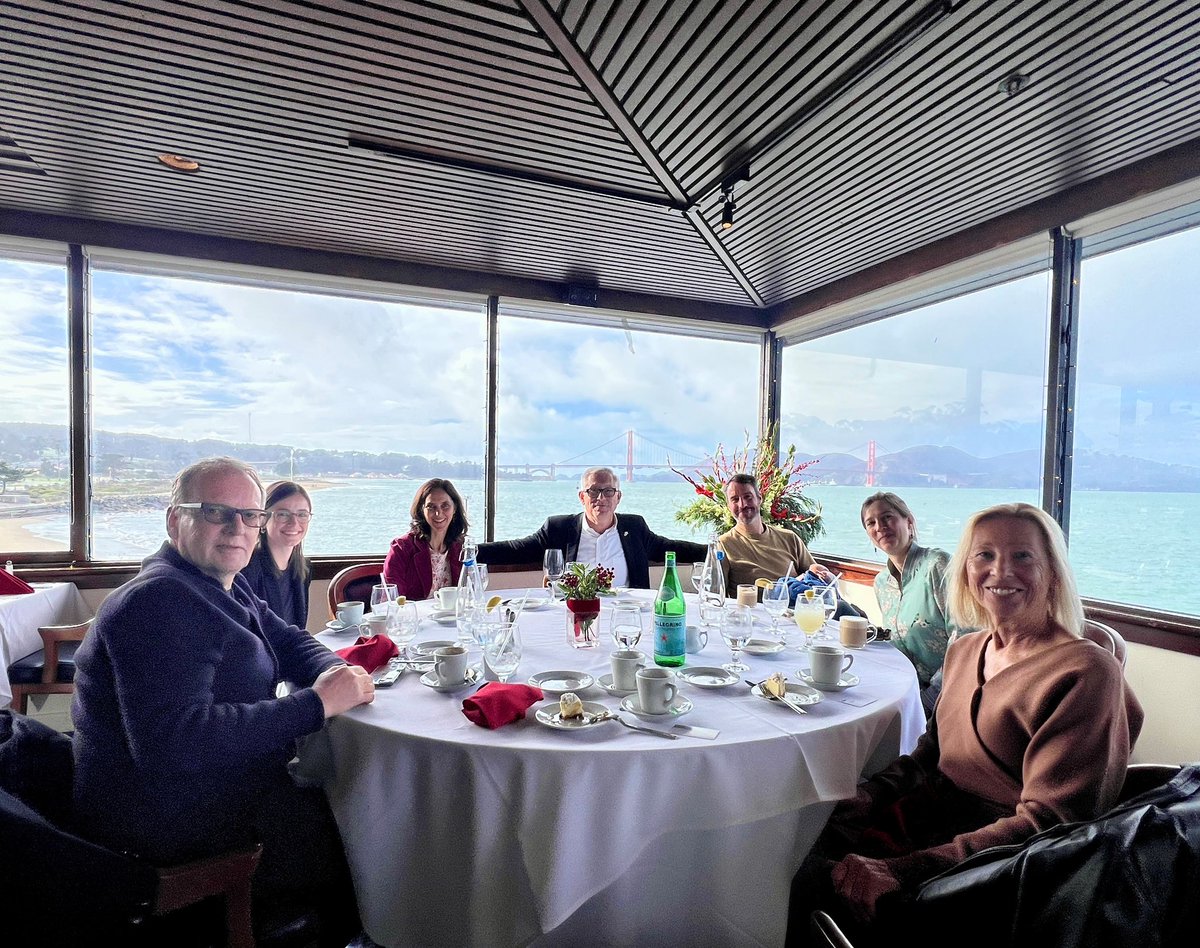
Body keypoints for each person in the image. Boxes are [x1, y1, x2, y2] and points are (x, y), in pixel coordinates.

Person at [789, 503, 1144, 944]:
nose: (1000, 571)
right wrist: (872, 793)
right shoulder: (964, 650)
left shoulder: (1085, 673)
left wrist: (905, 868)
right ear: (965, 570)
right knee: (791, 847)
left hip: (995, 868)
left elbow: (1052, 823)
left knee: (815, 885)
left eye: (1023, 556)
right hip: (926, 818)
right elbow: (930, 751)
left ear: (1054, 572)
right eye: (984, 555)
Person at [72, 457, 374, 945]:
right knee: (364, 823)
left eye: (250, 515)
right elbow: (176, 743)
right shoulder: (160, 602)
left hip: (211, 788)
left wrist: (334, 673)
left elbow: (290, 639)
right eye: (217, 512)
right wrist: (316, 705)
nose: (239, 527)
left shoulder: (216, 585)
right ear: (175, 520)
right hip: (165, 822)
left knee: (352, 792)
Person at [478, 466, 706, 589]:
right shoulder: (559, 528)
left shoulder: (634, 527)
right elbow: (516, 548)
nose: (601, 498)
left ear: (618, 498)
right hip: (572, 613)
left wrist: (715, 550)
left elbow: (670, 548)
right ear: (581, 497)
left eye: (608, 491)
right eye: (593, 491)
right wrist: (466, 549)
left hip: (626, 615)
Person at [861, 491, 959, 714]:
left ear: (909, 521)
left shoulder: (937, 565)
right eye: (871, 522)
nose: (880, 527)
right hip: (905, 685)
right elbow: (898, 637)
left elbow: (965, 634)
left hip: (948, 690)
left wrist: (932, 694)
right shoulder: (882, 583)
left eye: (888, 517)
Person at [719, 473, 836, 590]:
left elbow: (817, 578)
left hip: (797, 606)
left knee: (842, 606)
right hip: (753, 607)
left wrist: (826, 577)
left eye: (748, 497)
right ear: (728, 506)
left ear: (759, 499)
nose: (742, 504)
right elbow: (715, 593)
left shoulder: (790, 538)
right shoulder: (724, 544)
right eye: (735, 499)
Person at [239, 479, 313, 629]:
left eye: (302, 514)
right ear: (263, 519)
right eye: (283, 514)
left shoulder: (303, 568)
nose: (294, 522)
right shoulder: (246, 570)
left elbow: (298, 630)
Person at [383, 478, 468, 600]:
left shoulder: (461, 548)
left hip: (452, 617)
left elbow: (469, 593)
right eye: (431, 507)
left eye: (445, 506)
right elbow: (392, 599)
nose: (438, 513)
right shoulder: (401, 549)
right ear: (422, 510)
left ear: (454, 509)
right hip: (413, 617)